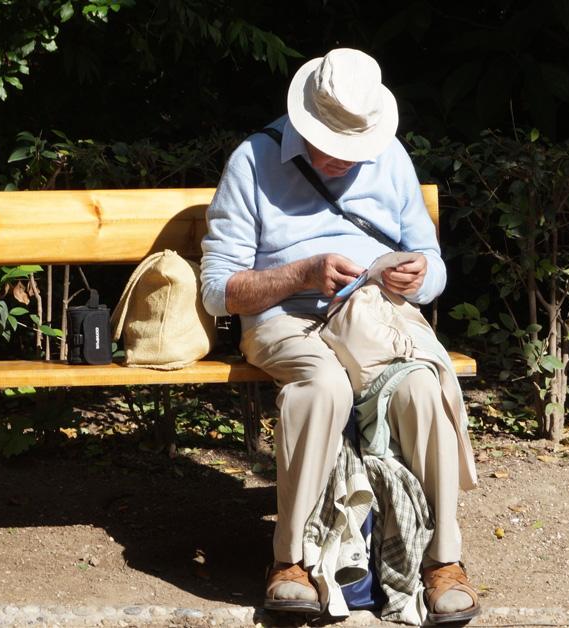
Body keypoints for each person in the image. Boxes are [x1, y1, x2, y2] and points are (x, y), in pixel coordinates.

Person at [199, 48, 481, 623]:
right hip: (286, 321)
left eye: (353, 146)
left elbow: (432, 262)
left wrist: (420, 275)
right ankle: (292, 561)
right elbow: (217, 290)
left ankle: (440, 563)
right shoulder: (253, 162)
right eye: (331, 144)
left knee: (422, 388)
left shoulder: (390, 157)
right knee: (323, 385)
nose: (342, 159)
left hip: (375, 319)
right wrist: (300, 273)